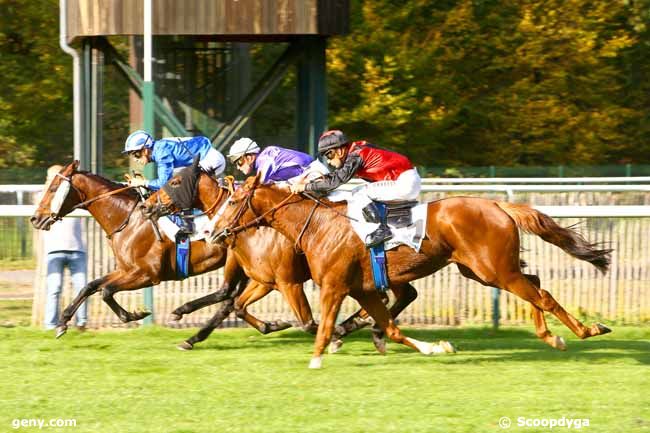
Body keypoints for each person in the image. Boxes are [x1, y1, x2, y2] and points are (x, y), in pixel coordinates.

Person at [290, 130, 421, 247]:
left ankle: (380, 230)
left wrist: (305, 187)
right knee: (360, 192)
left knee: (358, 193)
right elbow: (335, 177)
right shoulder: (356, 151)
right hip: (407, 180)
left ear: (340, 151)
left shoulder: (355, 156)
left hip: (405, 182)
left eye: (329, 155)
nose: (328, 161)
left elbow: (335, 182)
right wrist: (313, 182)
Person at [123, 130, 226, 233]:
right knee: (176, 182)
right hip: (200, 159)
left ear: (145, 150)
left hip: (211, 160)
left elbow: (163, 184)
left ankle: (188, 224)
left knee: (182, 184)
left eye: (136, 154)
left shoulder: (161, 153)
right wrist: (146, 182)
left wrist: (142, 183)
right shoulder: (159, 149)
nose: (135, 159)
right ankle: (187, 221)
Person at [42, 165, 88, 330]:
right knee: (54, 289)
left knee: (82, 289)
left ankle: (81, 323)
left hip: (77, 250)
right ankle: (50, 325)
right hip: (54, 250)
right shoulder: (43, 197)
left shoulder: (72, 197)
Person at [227, 137, 328, 184]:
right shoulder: (264, 159)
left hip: (315, 174)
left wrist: (233, 186)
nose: (238, 167)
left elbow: (255, 186)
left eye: (239, 162)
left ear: (249, 158)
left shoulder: (265, 159)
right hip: (309, 175)